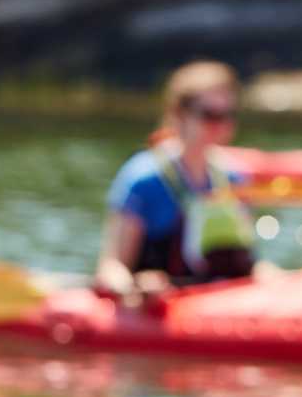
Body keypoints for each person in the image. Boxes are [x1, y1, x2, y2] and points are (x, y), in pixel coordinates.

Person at [95, 60, 260, 304]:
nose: (220, 125)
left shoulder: (233, 178)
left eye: (227, 115)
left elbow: (247, 264)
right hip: (158, 308)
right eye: (210, 115)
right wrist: (133, 286)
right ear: (179, 115)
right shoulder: (143, 180)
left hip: (219, 309)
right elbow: (111, 267)